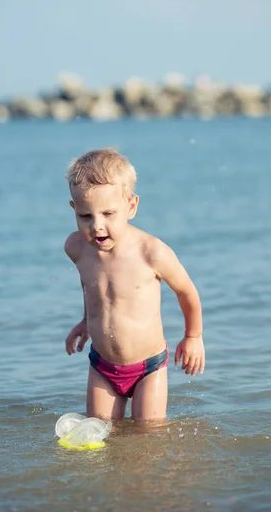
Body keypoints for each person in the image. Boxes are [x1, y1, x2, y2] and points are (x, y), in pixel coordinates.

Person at [64, 148, 205, 421]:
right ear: (74, 209)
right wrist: (85, 320)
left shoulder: (151, 252)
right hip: (102, 366)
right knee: (100, 434)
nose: (97, 226)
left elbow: (186, 291)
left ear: (131, 207)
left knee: (147, 438)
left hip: (147, 368)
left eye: (108, 213)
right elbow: (91, 285)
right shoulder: (76, 248)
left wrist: (193, 337)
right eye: (85, 216)